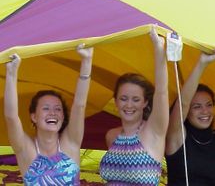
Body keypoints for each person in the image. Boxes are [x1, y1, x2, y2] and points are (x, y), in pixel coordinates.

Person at [4, 44, 93, 186]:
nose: (53, 112)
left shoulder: (70, 143)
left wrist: (87, 61)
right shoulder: (26, 150)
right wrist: (11, 72)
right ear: (34, 117)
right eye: (46, 108)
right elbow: (11, 116)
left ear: (63, 117)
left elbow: (80, 105)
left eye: (58, 109)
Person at [100, 25, 169, 185]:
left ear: (145, 102)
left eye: (136, 99)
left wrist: (159, 50)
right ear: (116, 101)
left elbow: (162, 92)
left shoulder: (153, 131)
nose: (129, 104)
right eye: (124, 98)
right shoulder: (111, 136)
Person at [165, 52, 215, 186]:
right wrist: (202, 63)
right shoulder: (177, 137)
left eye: (209, 105)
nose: (205, 111)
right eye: (197, 107)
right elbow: (183, 104)